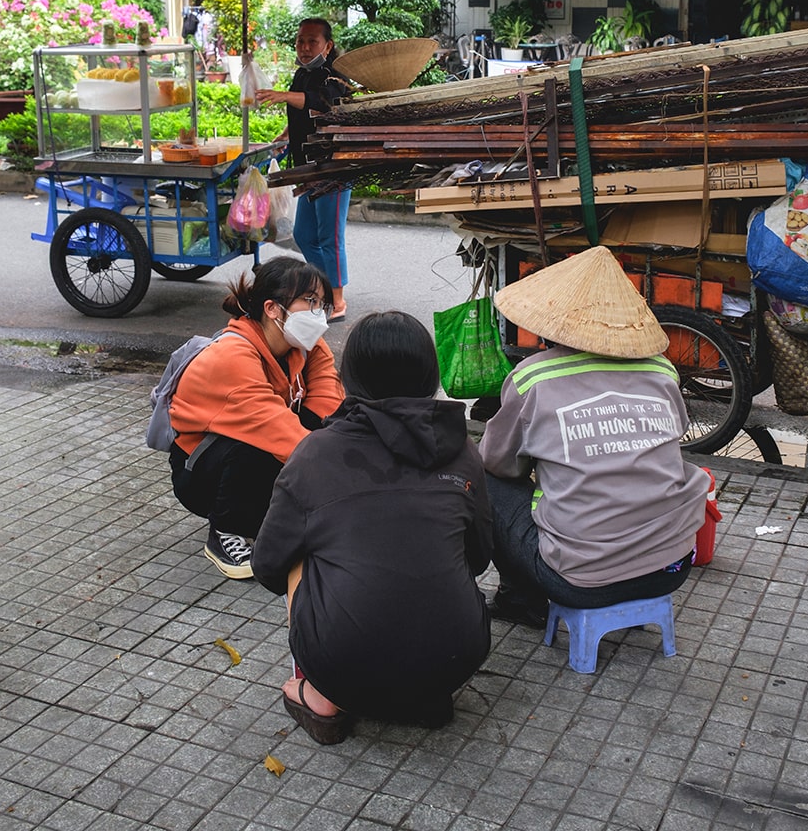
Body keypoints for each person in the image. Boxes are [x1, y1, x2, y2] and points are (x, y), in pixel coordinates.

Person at [252, 311, 492, 744]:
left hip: (343, 660)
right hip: (457, 656)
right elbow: (478, 557)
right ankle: (422, 693)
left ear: (349, 378)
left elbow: (268, 564)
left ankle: (323, 696)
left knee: (300, 550)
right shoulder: (463, 451)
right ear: (430, 374)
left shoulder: (315, 454)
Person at [478, 246, 710, 630]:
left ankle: (521, 600)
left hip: (579, 582)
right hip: (672, 566)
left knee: (483, 479)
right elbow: (676, 432)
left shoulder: (534, 378)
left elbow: (498, 463)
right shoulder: (662, 371)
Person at [168, 256, 345, 580]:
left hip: (264, 443)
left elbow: (329, 405)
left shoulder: (308, 347)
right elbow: (275, 427)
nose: (319, 314)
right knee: (258, 446)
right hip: (201, 470)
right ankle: (225, 531)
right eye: (310, 302)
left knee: (319, 432)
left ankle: (271, 518)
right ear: (272, 308)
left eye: (322, 304)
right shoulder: (232, 356)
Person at [256, 18, 352, 321]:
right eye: (300, 41)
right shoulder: (302, 73)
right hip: (308, 168)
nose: (305, 47)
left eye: (312, 41)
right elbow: (302, 114)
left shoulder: (335, 77)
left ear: (328, 45)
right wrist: (286, 134)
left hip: (333, 167)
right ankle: (321, 287)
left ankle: (337, 301)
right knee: (304, 234)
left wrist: (283, 96)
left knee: (330, 237)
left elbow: (321, 105)